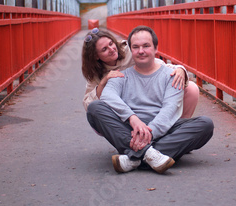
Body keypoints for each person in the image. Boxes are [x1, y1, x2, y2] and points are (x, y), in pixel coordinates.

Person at [86, 26, 214, 174]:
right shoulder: (120, 75)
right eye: (136, 47)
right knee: (95, 108)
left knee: (205, 124)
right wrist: (133, 119)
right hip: (131, 129)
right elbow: (107, 96)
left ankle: (134, 157)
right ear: (131, 51)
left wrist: (149, 134)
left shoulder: (171, 75)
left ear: (155, 48)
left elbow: (170, 109)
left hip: (162, 128)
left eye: (146, 46)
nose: (141, 51)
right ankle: (154, 155)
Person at [81, 28, 199, 117]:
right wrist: (103, 82)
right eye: (104, 49)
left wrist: (179, 69)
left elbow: (156, 64)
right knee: (96, 110)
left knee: (191, 89)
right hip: (124, 112)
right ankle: (125, 138)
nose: (111, 49)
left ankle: (177, 130)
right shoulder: (95, 72)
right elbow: (89, 106)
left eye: (111, 44)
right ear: (96, 56)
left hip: (148, 99)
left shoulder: (129, 51)